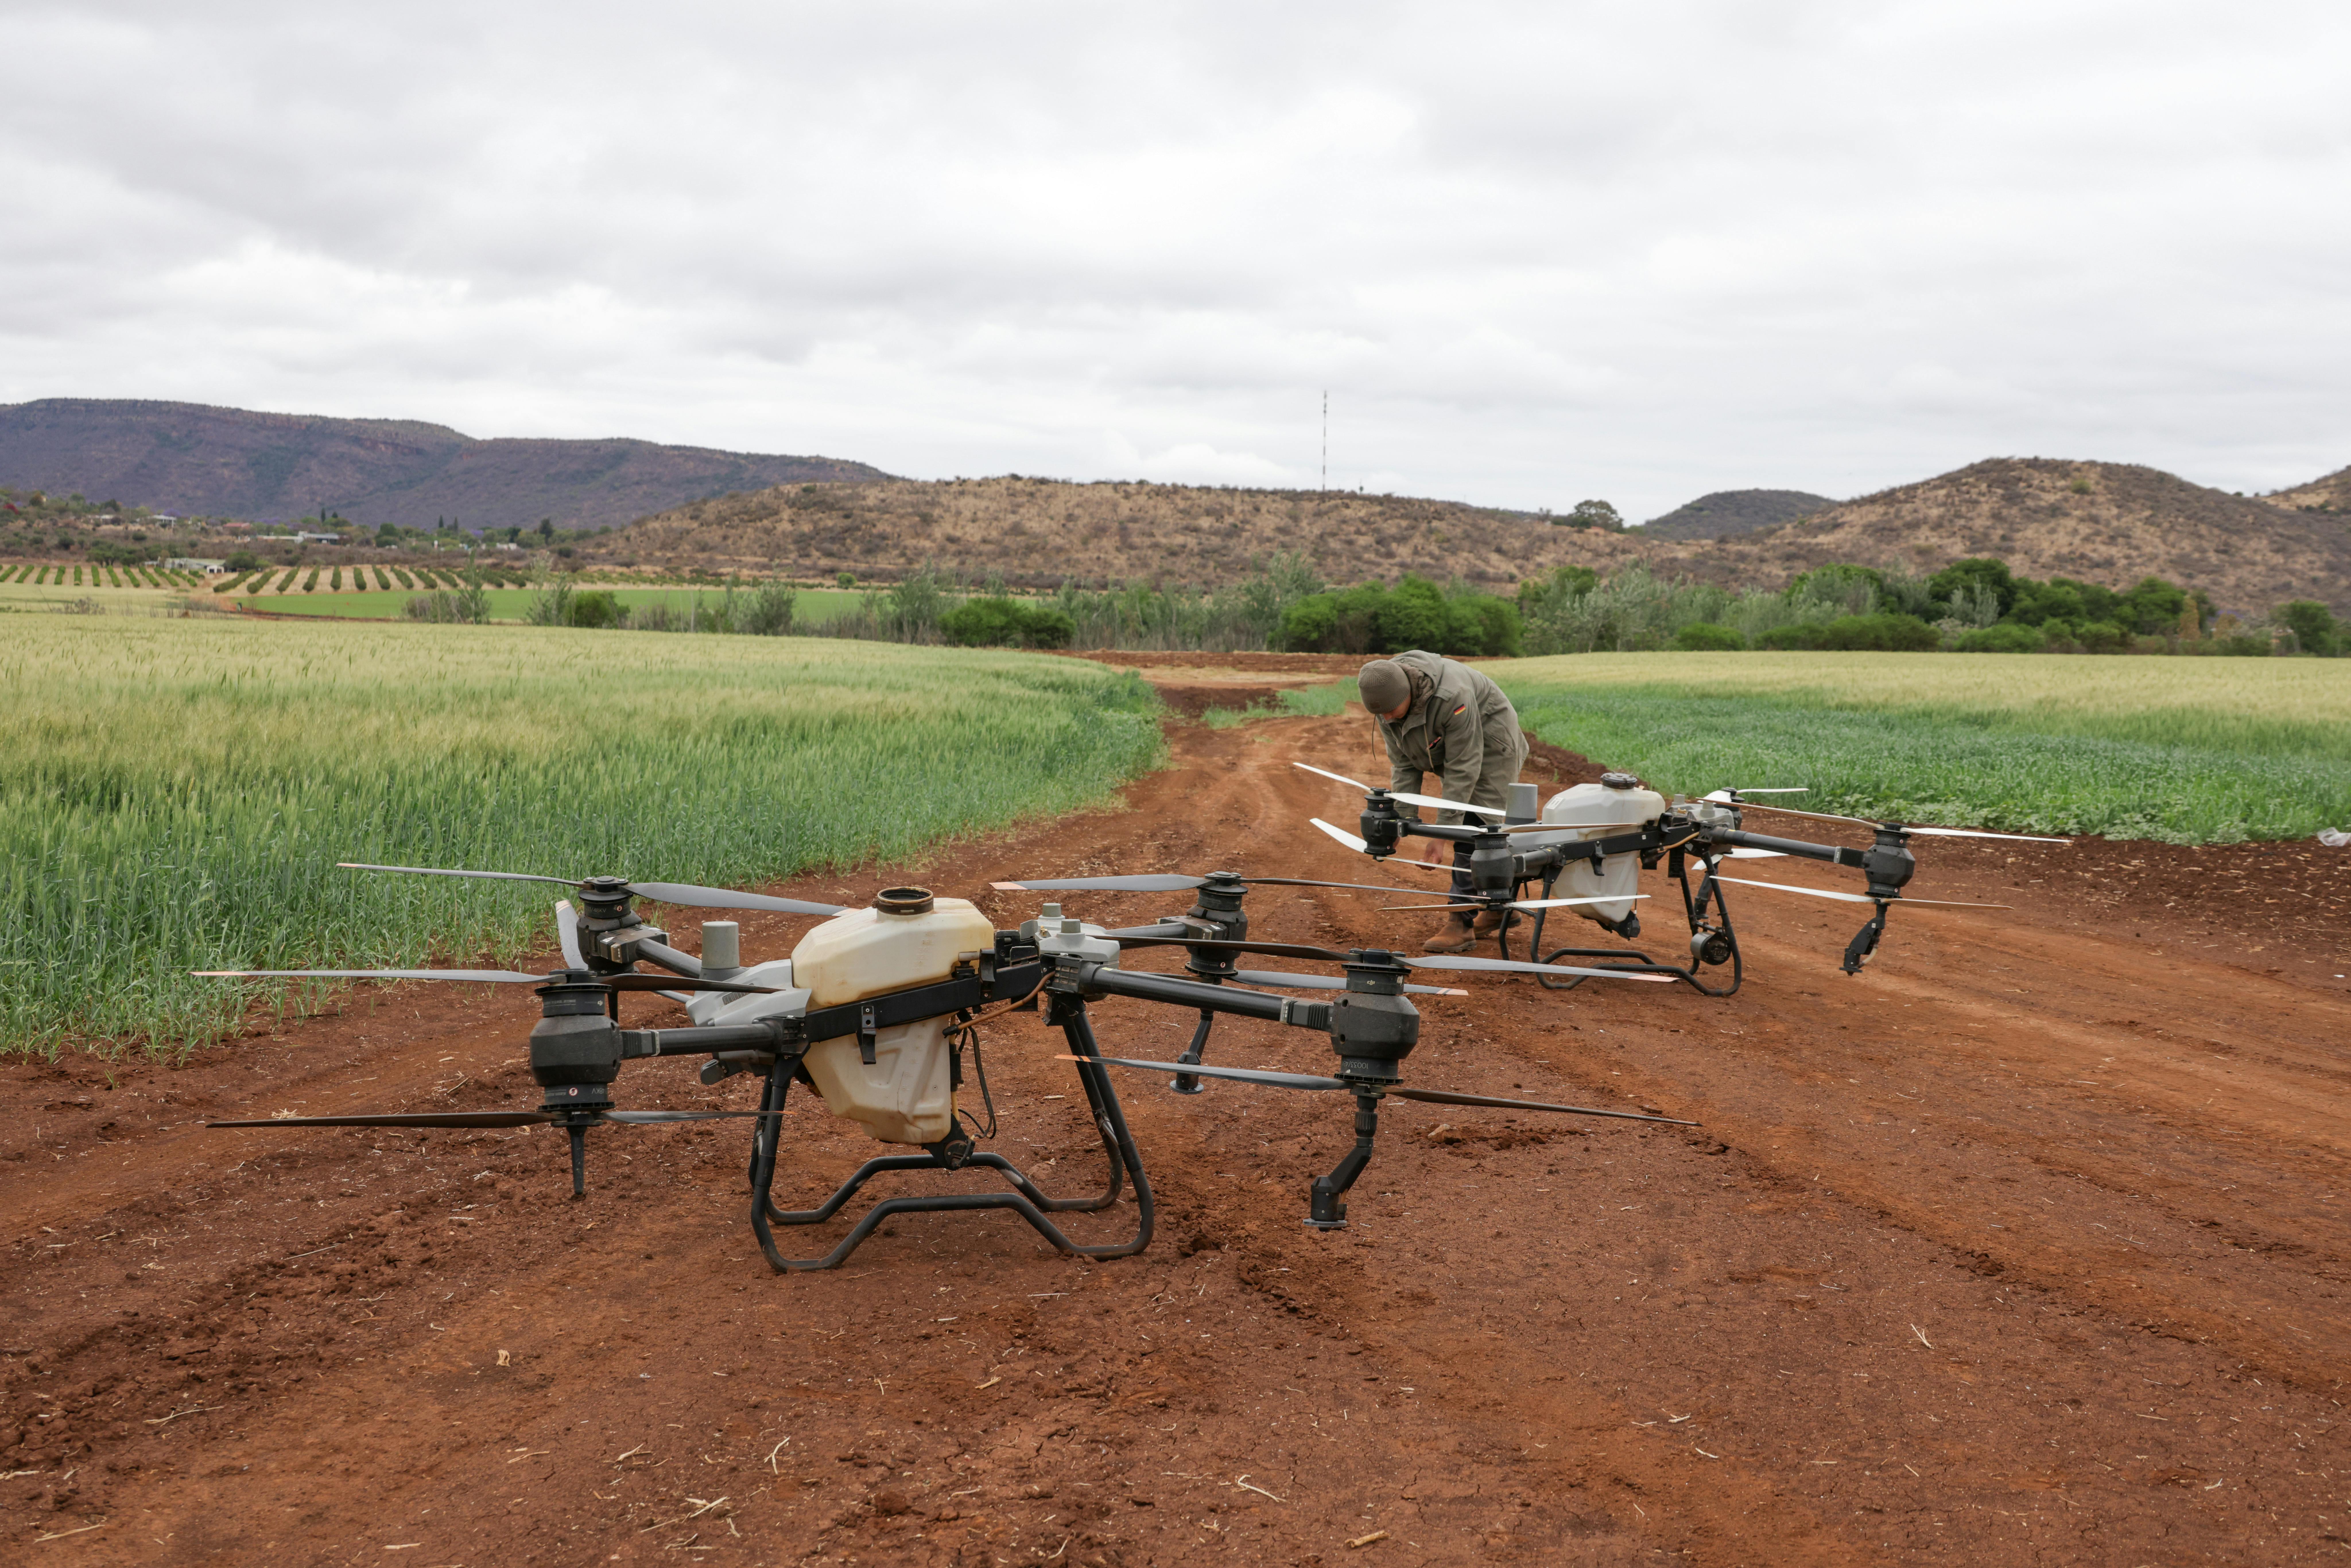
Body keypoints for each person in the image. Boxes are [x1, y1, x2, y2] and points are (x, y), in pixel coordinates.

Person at [1356, 651, 1530, 953]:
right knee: (1473, 827)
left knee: (1476, 828)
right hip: (1452, 741)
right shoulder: (1386, 697)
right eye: (1379, 714)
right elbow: (1404, 764)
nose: (1385, 719)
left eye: (1390, 711)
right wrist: (1401, 821)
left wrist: (1440, 834)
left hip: (1491, 742)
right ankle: (1499, 908)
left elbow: (1464, 769)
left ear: (1407, 693)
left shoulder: (1452, 696)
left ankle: (1460, 923)